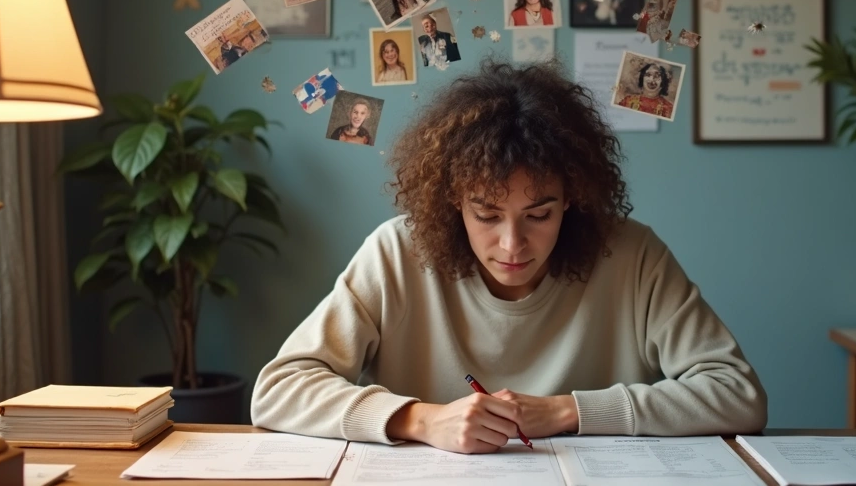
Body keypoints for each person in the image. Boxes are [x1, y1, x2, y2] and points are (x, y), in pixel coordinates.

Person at [251, 60, 767, 453]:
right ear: (454, 200)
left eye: (539, 215)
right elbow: (278, 391)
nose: (512, 244)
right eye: (487, 214)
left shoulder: (633, 255)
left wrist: (568, 411)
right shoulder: (395, 252)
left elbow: (738, 395)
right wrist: (421, 419)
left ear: (572, 198)